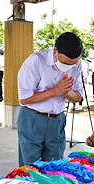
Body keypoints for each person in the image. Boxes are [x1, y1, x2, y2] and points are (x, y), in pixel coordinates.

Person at [17, 32, 83, 167]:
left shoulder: (77, 64)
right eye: (65, 63)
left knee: (55, 168)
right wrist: (55, 91)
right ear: (55, 51)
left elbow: (78, 96)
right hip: (33, 119)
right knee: (31, 169)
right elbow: (24, 99)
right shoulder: (35, 61)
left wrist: (66, 91)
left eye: (73, 64)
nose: (69, 67)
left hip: (57, 121)